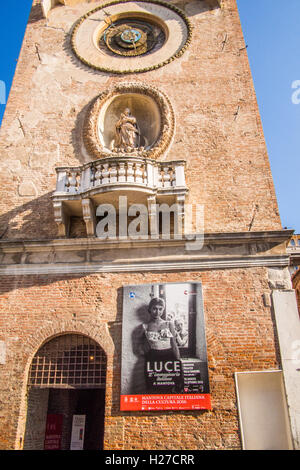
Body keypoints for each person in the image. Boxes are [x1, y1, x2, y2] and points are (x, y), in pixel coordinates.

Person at [139, 297, 184, 393]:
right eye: (154, 308)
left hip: (169, 356)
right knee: (153, 386)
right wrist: (145, 351)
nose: (157, 312)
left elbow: (174, 344)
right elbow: (141, 347)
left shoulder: (169, 324)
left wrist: (178, 360)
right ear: (150, 309)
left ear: (163, 310)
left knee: (172, 386)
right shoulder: (145, 326)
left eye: (160, 309)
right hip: (153, 357)